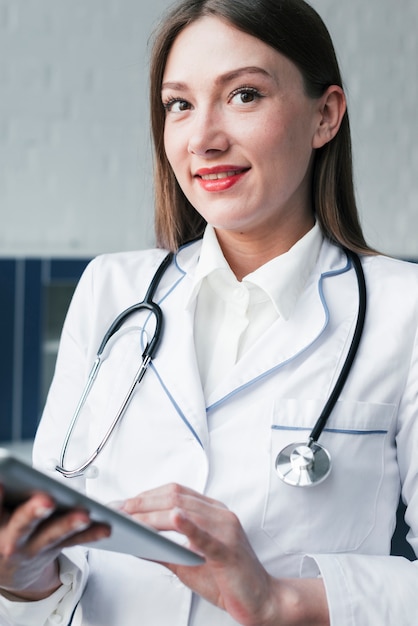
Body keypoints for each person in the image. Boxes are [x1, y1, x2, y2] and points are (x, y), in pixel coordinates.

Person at [1, 0, 417, 623]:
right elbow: (59, 563)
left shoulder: (401, 312)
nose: (203, 138)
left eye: (244, 95)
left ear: (325, 115)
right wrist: (25, 576)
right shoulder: (111, 291)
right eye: (180, 104)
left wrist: (282, 600)